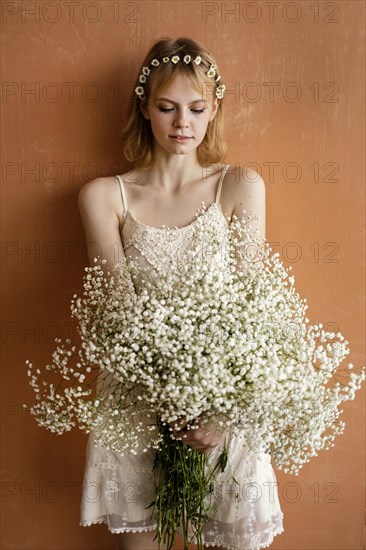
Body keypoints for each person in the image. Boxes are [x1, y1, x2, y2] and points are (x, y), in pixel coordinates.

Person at [77, 36, 284, 550]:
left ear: (214, 109)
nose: (182, 123)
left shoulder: (240, 185)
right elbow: (115, 313)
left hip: (225, 402)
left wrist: (218, 411)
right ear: (145, 107)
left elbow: (252, 311)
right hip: (136, 403)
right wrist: (166, 400)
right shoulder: (106, 196)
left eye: (196, 108)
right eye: (167, 108)